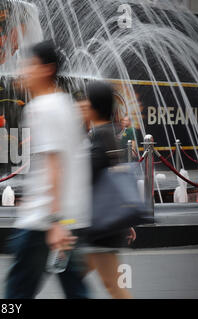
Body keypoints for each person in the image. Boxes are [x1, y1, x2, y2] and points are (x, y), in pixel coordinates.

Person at [4, 41, 92, 299]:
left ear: (46, 69)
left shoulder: (42, 107)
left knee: (17, 292)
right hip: (72, 217)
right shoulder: (66, 104)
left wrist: (55, 222)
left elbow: (55, 165)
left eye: (29, 65)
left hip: (43, 223)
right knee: (75, 289)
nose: (22, 71)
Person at [79, 81, 136, 298]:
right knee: (107, 283)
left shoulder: (101, 136)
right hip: (106, 225)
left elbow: (88, 178)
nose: (82, 104)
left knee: (110, 284)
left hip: (100, 227)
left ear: (94, 105)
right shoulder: (108, 133)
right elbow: (114, 178)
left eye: (85, 100)